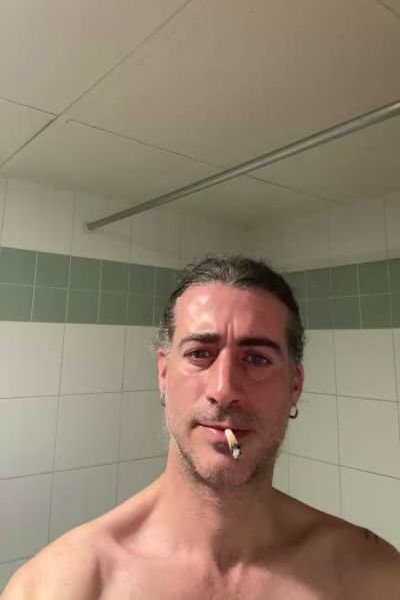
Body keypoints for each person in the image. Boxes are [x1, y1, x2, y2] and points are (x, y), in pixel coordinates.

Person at [3, 255, 400, 599]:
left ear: (295, 385)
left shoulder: (372, 576)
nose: (224, 390)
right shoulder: (60, 585)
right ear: (163, 374)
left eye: (257, 359)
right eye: (199, 354)